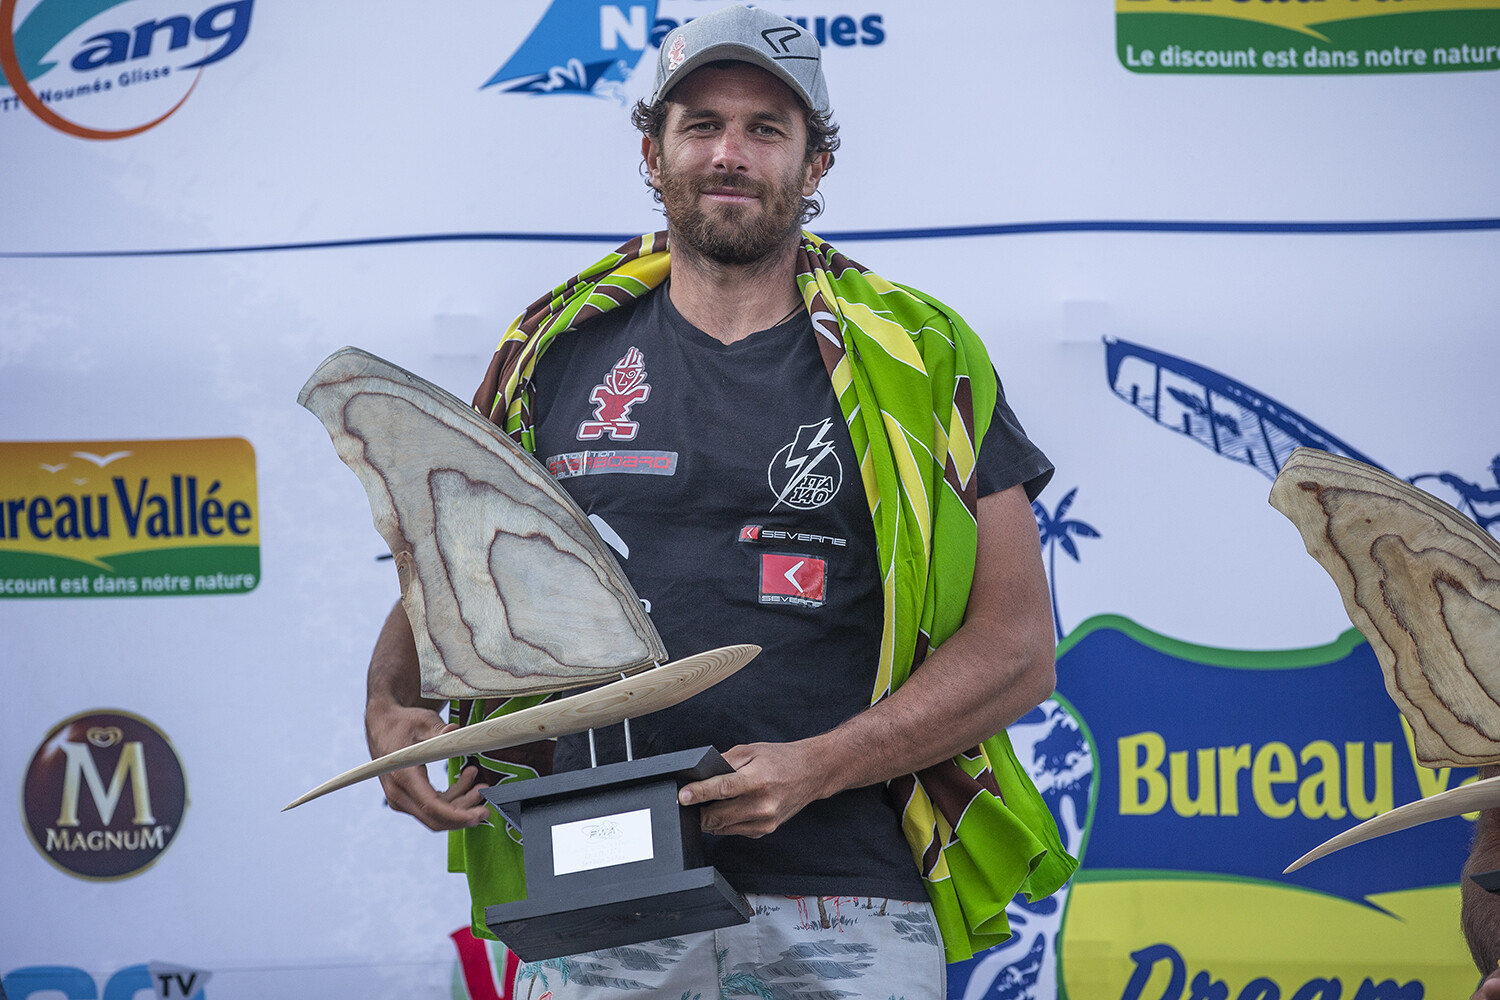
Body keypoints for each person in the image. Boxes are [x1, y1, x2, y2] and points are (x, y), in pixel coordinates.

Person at [364, 5, 1075, 995]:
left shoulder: (918, 356)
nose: (729, 153)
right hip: (593, 900)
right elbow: (453, 566)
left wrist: (823, 764)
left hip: (845, 900)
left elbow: (1017, 648)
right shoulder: (553, 351)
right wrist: (391, 701)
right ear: (652, 153)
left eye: (765, 129)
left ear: (815, 163)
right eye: (701, 125)